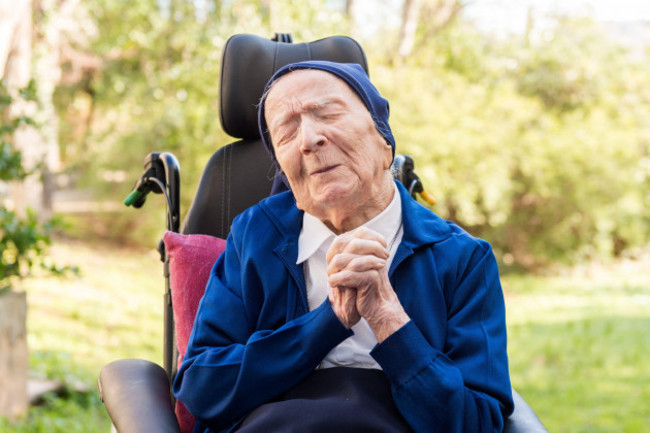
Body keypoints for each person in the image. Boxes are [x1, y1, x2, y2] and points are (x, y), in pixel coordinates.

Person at [173, 61, 514, 433]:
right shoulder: (254, 235)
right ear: (284, 171)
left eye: (328, 113)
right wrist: (327, 322)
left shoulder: (462, 258)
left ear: (384, 140)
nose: (308, 140)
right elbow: (203, 389)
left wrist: (388, 318)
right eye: (286, 133)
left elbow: (477, 423)